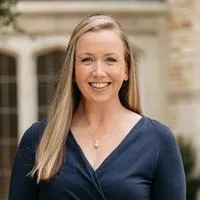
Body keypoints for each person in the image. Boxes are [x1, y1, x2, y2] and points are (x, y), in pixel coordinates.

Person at [9, 14, 186, 200]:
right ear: (73, 70)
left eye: (110, 59)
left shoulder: (158, 141)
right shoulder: (38, 139)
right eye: (87, 60)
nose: (99, 72)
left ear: (126, 70)